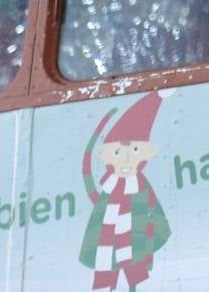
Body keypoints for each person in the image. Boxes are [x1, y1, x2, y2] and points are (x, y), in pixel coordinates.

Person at [80, 92, 171, 291]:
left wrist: (154, 237)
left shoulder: (140, 187)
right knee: (105, 278)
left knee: (138, 279)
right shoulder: (109, 187)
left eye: (135, 152)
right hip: (107, 244)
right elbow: (90, 186)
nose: (126, 160)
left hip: (135, 241)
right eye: (118, 153)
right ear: (106, 155)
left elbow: (153, 210)